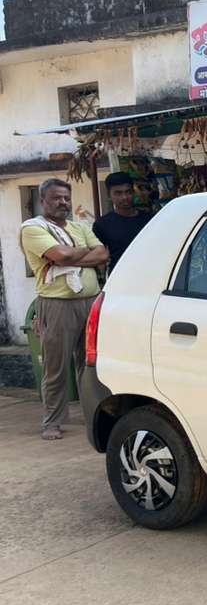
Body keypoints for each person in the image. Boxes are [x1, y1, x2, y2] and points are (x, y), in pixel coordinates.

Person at [19, 178, 109, 440]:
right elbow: (61, 256)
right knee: (56, 366)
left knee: (90, 364)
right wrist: (80, 255)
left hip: (90, 301)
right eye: (57, 198)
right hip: (57, 304)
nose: (63, 203)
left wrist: (71, 254)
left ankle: (92, 415)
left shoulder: (79, 226)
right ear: (43, 200)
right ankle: (52, 422)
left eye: (66, 198)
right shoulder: (33, 229)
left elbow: (102, 254)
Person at [92, 172, 152, 273]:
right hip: (119, 279)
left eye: (128, 192)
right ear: (109, 195)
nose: (124, 197)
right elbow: (97, 257)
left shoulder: (150, 220)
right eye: (118, 193)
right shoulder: (102, 224)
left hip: (151, 274)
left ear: (133, 192)